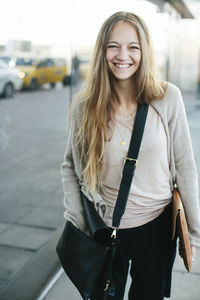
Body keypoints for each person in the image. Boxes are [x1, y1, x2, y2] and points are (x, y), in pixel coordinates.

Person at [60, 12, 200, 300]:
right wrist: (81, 223)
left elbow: (186, 167)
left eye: (133, 47)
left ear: (144, 51)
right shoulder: (85, 107)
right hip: (105, 228)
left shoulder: (167, 98)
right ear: (102, 51)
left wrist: (194, 232)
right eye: (113, 45)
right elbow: (70, 166)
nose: (122, 55)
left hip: (158, 228)